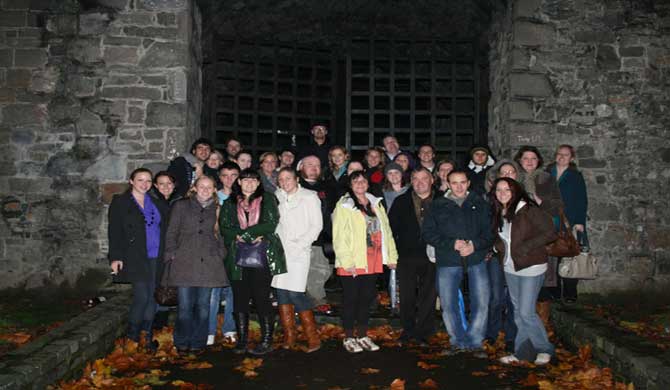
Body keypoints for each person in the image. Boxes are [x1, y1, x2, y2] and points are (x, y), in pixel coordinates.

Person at [422, 170, 493, 357]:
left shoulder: (481, 204)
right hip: (448, 259)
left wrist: (474, 245)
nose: (459, 187)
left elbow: (489, 233)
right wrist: (451, 243)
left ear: (468, 183)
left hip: (475, 258)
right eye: (454, 183)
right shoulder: (437, 205)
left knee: (482, 300)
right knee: (448, 302)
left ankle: (475, 341)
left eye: (462, 182)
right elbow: (428, 233)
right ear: (448, 183)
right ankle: (457, 341)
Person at [219, 169, 287, 355]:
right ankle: (242, 340)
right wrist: (242, 236)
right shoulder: (229, 203)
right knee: (240, 299)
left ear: (258, 183)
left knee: (261, 298)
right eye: (245, 180)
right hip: (236, 257)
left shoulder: (268, 199)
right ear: (239, 182)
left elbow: (271, 222)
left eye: (253, 180)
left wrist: (249, 235)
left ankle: (266, 340)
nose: (249, 183)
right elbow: (225, 227)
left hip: (262, 256)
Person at [491, 178, 557, 365]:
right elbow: (500, 238)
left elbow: (550, 232)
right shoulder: (499, 212)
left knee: (526, 312)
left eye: (507, 189)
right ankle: (523, 353)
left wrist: (526, 247)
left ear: (516, 191)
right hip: (511, 268)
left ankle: (544, 349)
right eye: (498, 189)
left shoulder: (528, 209)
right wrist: (498, 248)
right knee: (519, 312)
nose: (502, 193)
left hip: (531, 267)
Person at [332, 171, 398, 353]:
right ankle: (348, 337)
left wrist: (391, 257)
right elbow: (339, 236)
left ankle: (362, 334)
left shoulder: (376, 203)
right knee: (351, 299)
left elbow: (387, 232)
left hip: (373, 260)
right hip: (353, 260)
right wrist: (347, 261)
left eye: (363, 180)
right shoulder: (344, 205)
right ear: (350, 185)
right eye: (356, 181)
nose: (360, 184)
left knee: (366, 299)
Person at [163, 175, 229, 353]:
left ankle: (198, 342)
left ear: (215, 189)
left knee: (203, 308)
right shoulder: (181, 206)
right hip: (184, 262)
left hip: (209, 264)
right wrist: (171, 254)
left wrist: (221, 254)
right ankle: (182, 341)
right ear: (194, 187)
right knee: (184, 307)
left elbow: (222, 235)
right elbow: (172, 232)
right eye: (202, 186)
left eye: (209, 187)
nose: (205, 190)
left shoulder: (218, 209)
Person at [109, 168, 169, 351]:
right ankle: (132, 337)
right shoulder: (121, 202)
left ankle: (146, 336)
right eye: (140, 180)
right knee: (141, 296)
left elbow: (165, 230)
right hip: (135, 256)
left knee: (152, 298)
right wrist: (116, 257)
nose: (145, 184)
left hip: (156, 257)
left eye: (148, 181)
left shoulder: (157, 203)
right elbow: (115, 232)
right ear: (131, 181)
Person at [273, 167, 323, 352]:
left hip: (299, 251)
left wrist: (300, 244)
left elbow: (316, 225)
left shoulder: (309, 197)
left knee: (296, 293)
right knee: (282, 293)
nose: (285, 182)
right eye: (281, 179)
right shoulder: (277, 196)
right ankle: (290, 335)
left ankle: (313, 337)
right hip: (280, 250)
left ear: (296, 179)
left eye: (288, 178)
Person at [388, 167, 438, 345]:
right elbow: (390, 231)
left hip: (434, 256)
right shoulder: (401, 201)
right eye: (415, 179)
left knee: (429, 295)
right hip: (407, 255)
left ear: (432, 180)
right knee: (407, 295)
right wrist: (391, 255)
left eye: (424, 178)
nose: (420, 182)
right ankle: (408, 330)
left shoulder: (442, 201)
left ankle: (424, 332)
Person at [514, 146, 563, 301]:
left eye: (533, 158)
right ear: (519, 161)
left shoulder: (546, 178)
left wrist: (541, 201)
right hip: (519, 229)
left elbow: (558, 204)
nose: (529, 162)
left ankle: (542, 308)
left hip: (541, 228)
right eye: (525, 158)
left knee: (542, 268)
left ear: (538, 161)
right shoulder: (513, 178)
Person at [546, 145, 588, 302]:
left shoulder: (575, 176)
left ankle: (570, 292)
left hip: (569, 222)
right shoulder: (547, 173)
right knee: (552, 256)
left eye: (566, 155)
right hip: (550, 220)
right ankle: (554, 292)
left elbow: (581, 200)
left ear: (571, 158)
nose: (562, 157)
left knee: (570, 254)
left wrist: (579, 222)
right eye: (559, 154)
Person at [206, 161, 241, 346]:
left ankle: (229, 327)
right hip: (216, 249)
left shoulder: (243, 197)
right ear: (220, 178)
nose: (229, 179)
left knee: (234, 291)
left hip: (237, 249)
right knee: (214, 291)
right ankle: (209, 330)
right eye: (225, 175)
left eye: (234, 175)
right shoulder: (212, 196)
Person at [298, 155, 337, 309]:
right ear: (301, 167)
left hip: (323, 239)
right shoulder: (293, 185)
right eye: (309, 164)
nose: (314, 168)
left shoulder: (328, 188)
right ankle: (311, 302)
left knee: (322, 270)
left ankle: (315, 300)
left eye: (317, 165)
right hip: (298, 239)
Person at [150, 171, 178, 331]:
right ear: (155, 186)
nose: (166, 187)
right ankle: (152, 325)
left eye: (169, 183)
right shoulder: (151, 203)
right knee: (155, 285)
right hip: (155, 251)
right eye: (161, 183)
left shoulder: (179, 202)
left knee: (168, 285)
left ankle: (161, 323)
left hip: (172, 250)